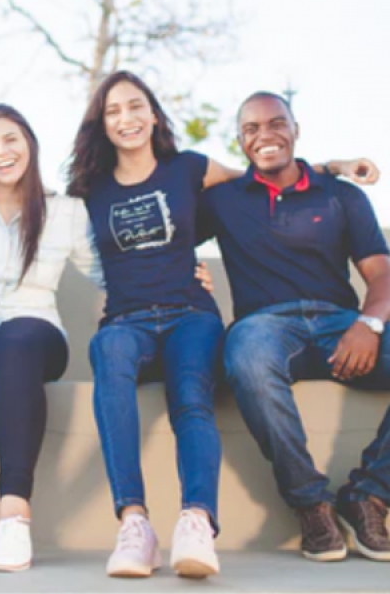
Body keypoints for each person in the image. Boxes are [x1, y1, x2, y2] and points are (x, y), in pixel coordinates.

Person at [66, 70, 375, 579]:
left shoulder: (188, 169)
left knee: (191, 394)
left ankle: (197, 522)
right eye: (114, 110)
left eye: (136, 106)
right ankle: (135, 523)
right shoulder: (87, 190)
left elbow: (264, 175)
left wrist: (334, 165)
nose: (127, 118)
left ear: (154, 113)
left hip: (191, 314)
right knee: (110, 357)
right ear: (100, 123)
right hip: (126, 320)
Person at [0, 103, 213, 572]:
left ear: (29, 145)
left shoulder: (65, 212)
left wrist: (177, 277)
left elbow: (112, 274)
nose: (0, 152)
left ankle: (14, 513)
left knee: (17, 340)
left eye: (10, 140)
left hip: (34, 332)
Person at [200, 91, 390, 563]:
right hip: (265, 328)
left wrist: (369, 323)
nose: (265, 135)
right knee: (244, 354)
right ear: (240, 142)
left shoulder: (342, 195)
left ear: (296, 129)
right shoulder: (223, 200)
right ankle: (310, 504)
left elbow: (381, 271)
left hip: (341, 327)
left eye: (276, 123)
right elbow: (168, 186)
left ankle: (369, 494)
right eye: (251, 129)